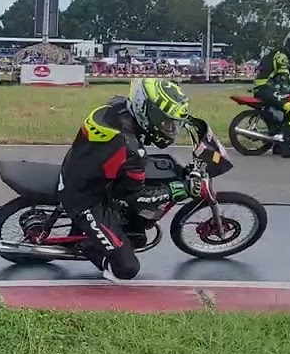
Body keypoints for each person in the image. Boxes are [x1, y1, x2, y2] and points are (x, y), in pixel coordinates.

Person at [57, 78, 205, 280]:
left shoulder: (117, 106)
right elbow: (136, 196)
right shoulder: (131, 150)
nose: (170, 129)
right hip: (84, 196)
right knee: (127, 269)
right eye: (166, 122)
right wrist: (176, 190)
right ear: (146, 112)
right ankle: (87, 246)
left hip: (84, 167)